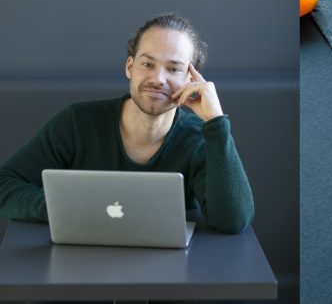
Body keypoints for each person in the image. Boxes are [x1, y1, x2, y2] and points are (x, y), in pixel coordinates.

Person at [0, 14, 254, 234]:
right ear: (130, 67)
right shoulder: (78, 123)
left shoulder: (199, 137)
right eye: (147, 64)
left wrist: (216, 122)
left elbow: (232, 221)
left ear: (191, 78)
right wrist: (64, 210)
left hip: (167, 273)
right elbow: (5, 183)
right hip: (81, 263)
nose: (158, 79)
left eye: (174, 69)